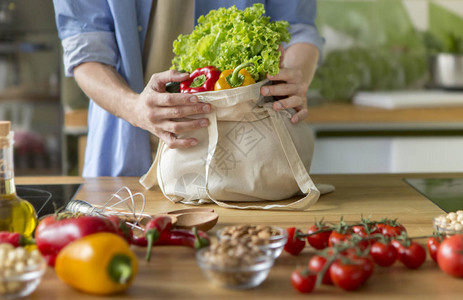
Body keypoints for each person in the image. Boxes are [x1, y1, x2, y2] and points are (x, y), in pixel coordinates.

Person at [53, 0, 324, 177]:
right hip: (127, 151)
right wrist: (133, 107)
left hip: (245, 156)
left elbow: (298, 29)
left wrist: (292, 75)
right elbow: (86, 51)